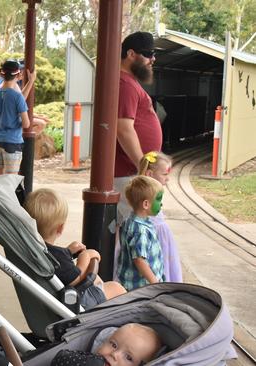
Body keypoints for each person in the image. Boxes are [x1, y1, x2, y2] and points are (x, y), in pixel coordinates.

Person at [24, 188, 126, 309]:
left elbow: (60, 266)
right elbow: (76, 279)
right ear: (60, 228)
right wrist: (85, 257)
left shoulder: (39, 251)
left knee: (100, 282)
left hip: (58, 297)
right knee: (116, 288)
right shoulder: (56, 257)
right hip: (75, 302)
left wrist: (68, 251)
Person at [114, 31, 162, 225]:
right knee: (134, 230)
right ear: (131, 54)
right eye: (148, 54)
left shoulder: (129, 82)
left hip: (131, 173)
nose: (153, 59)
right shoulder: (125, 84)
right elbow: (123, 129)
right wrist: (142, 167)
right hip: (129, 173)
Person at [0, 61, 38, 192]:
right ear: (18, 73)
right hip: (12, 142)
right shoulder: (14, 94)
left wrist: (1, 119)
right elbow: (25, 121)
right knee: (10, 181)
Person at [139, 151, 183, 282]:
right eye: (164, 174)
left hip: (159, 238)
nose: (167, 178)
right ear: (149, 174)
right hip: (155, 240)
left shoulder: (152, 192)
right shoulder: (144, 197)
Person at [117, 175, 165, 291]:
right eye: (159, 199)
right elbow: (139, 260)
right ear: (146, 204)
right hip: (142, 286)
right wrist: (155, 283)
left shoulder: (130, 220)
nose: (161, 204)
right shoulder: (140, 230)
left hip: (133, 282)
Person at [51, 323, 162, 366]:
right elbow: (60, 358)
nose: (115, 354)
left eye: (128, 357)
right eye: (113, 345)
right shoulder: (86, 359)